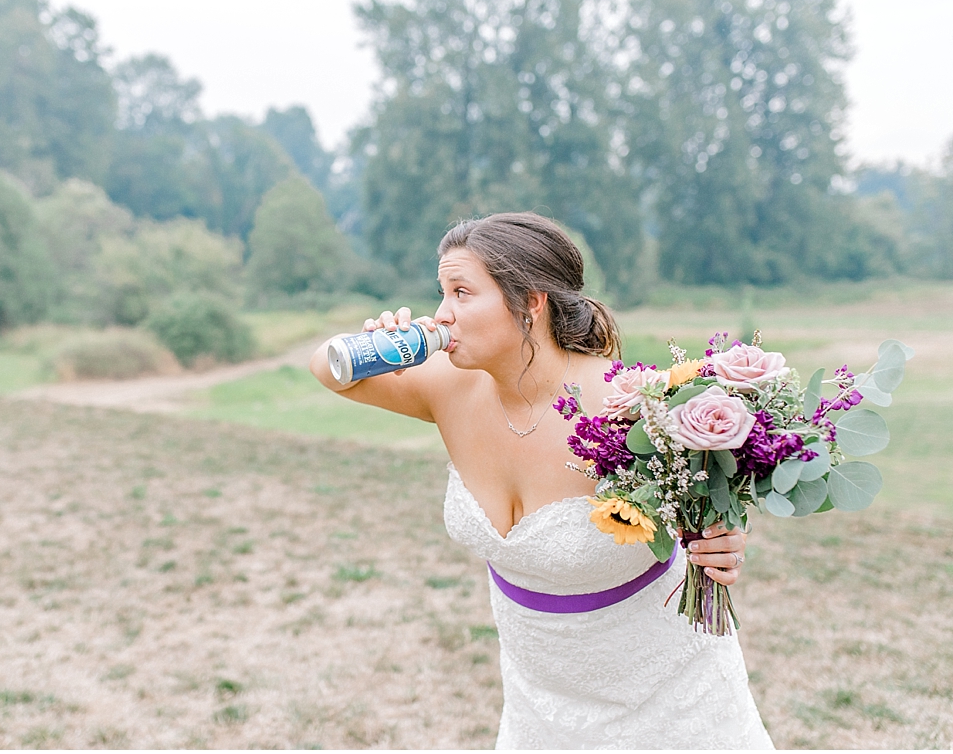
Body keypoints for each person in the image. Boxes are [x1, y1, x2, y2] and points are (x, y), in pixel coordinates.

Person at [309, 212, 774, 749]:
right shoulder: (446, 388)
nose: (442, 314)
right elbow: (327, 366)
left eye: (462, 292)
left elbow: (710, 503)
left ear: (531, 302)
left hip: (664, 697)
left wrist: (723, 539)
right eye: (442, 293)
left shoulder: (629, 402)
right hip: (538, 701)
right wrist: (377, 340)